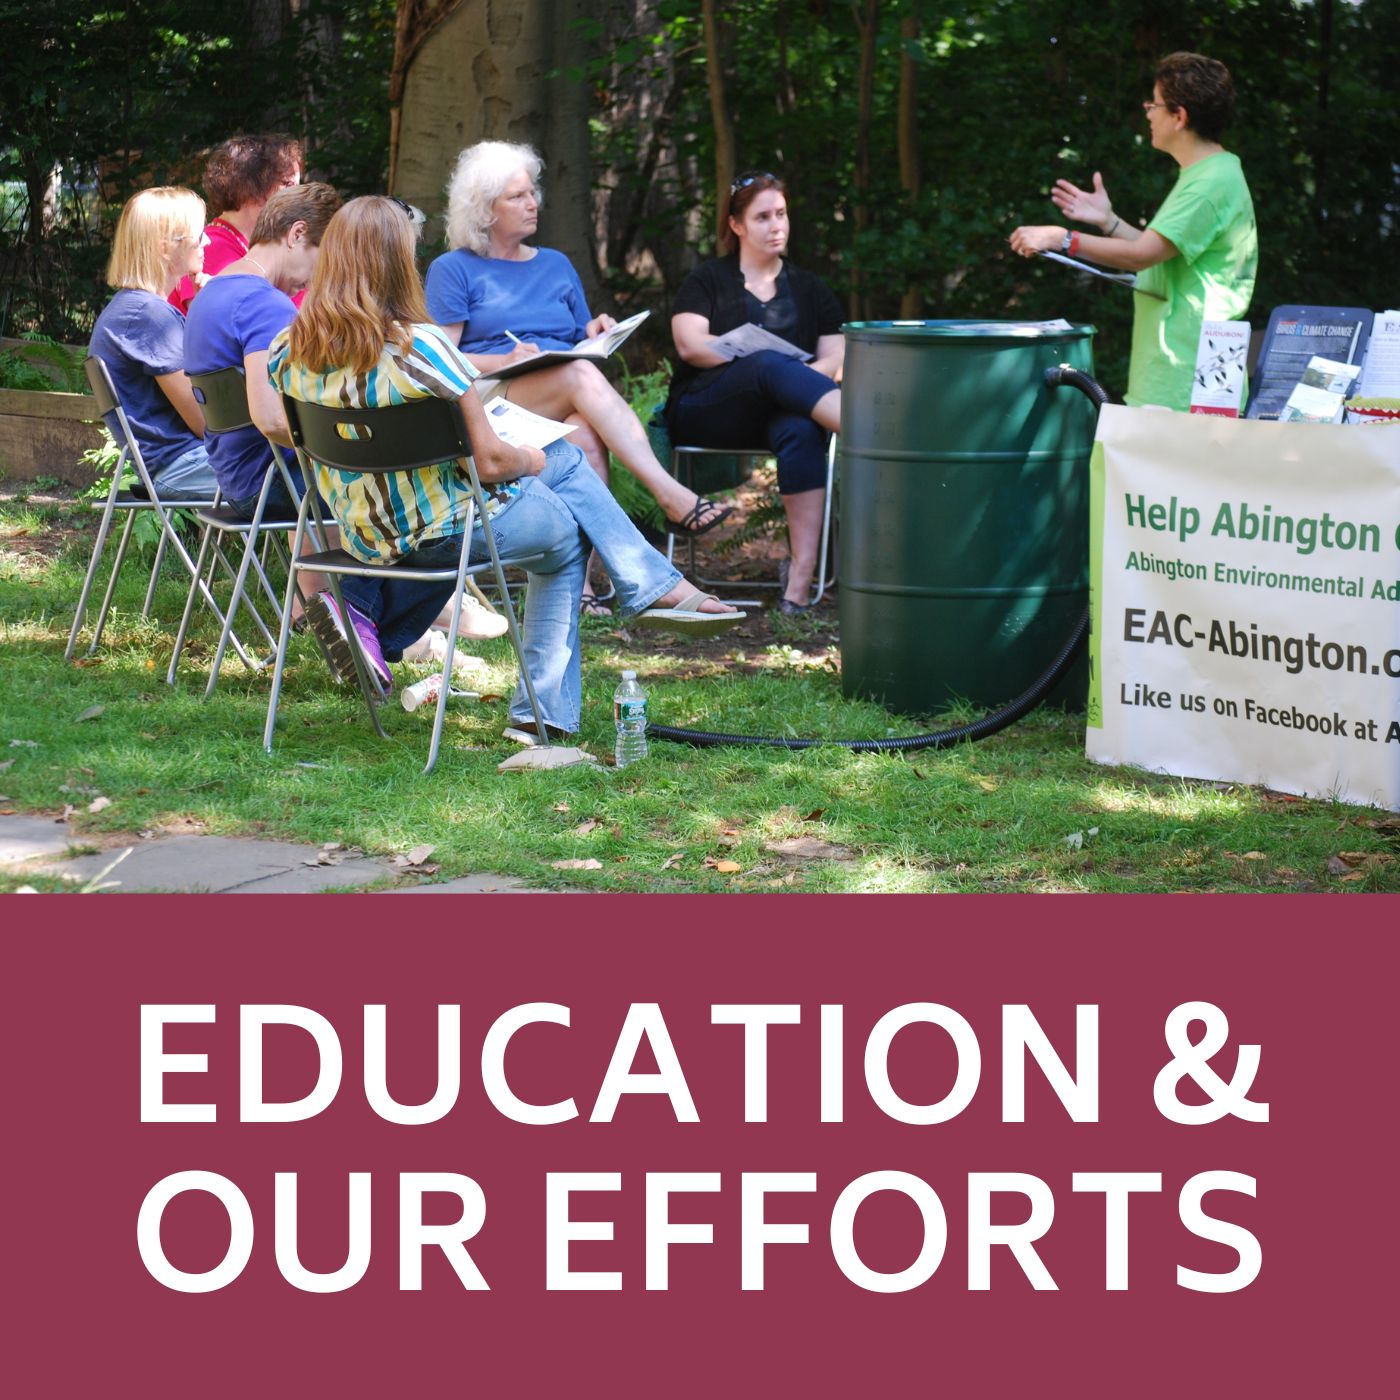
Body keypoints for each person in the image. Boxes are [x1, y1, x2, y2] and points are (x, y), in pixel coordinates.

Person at [268, 196, 743, 742]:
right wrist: (533, 458)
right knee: (564, 503)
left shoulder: (288, 351)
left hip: (366, 537)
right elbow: (491, 461)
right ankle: (548, 706)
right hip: (448, 531)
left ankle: (364, 612)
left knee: (559, 485)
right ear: (400, 263)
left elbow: (286, 433)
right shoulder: (420, 348)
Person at [425, 141, 734, 612]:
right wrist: (502, 359)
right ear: (484, 209)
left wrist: (594, 331)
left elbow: (576, 339)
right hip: (487, 397)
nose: (533, 204)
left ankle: (580, 587)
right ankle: (669, 495)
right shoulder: (454, 270)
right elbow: (441, 359)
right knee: (578, 376)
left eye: (533, 192)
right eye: (517, 196)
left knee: (586, 435)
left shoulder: (556, 264)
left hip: (556, 383)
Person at [1009, 52, 1257, 413]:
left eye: (1153, 104)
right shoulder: (1211, 174)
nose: (1147, 112)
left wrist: (1062, 239)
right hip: (1184, 373)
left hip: (1186, 377)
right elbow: (1157, 251)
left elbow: (1143, 255)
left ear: (1179, 116)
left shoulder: (1209, 183)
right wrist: (1108, 222)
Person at [666, 171, 844, 615]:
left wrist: (784, 379)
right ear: (737, 225)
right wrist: (767, 368)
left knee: (801, 427)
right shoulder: (707, 280)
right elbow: (690, 345)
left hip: (781, 415)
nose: (776, 225)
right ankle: (873, 431)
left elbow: (834, 361)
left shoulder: (811, 288)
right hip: (707, 409)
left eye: (781, 214)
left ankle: (799, 581)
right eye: (763, 217)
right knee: (765, 363)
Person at [88, 186, 219, 498]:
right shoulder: (148, 316)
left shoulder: (134, 307)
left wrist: (203, 316)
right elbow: (207, 422)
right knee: (316, 473)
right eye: (199, 235)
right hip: (184, 466)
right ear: (165, 248)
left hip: (177, 463)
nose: (208, 242)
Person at [169, 134, 303, 315]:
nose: (299, 196)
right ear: (251, 186)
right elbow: (220, 327)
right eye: (288, 184)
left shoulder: (265, 244)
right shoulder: (207, 248)